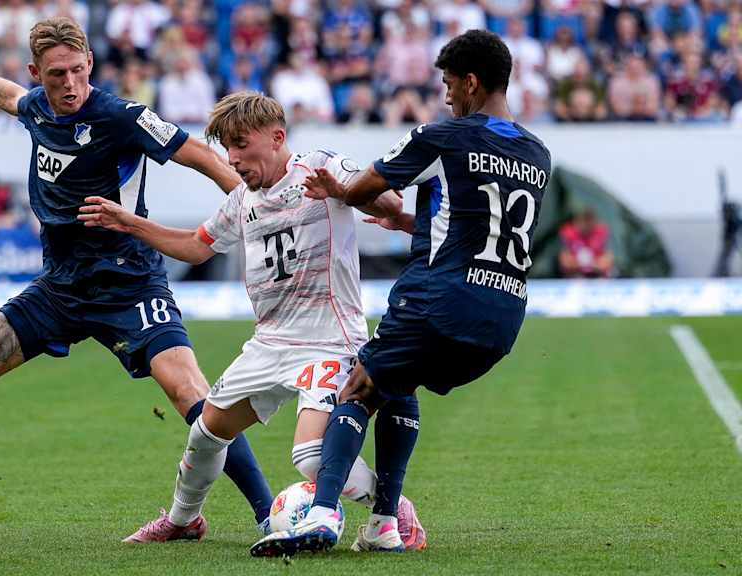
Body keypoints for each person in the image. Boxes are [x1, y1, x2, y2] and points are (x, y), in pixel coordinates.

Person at [0, 17, 272, 544]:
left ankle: (268, 515)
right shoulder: (37, 107)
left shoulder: (123, 116)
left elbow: (203, 156)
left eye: (77, 70)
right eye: (56, 76)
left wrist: (260, 206)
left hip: (130, 284)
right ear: (38, 74)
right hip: (59, 288)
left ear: (90, 63)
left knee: (194, 396)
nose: (69, 84)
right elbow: (7, 95)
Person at [251, 29, 552, 556]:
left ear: (473, 83)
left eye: (450, 84)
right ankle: (385, 524)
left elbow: (367, 187)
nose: (447, 96)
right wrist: (415, 221)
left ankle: (322, 513)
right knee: (399, 382)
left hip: (439, 300)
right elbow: (478, 224)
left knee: (359, 386)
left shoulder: (443, 136)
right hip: (502, 319)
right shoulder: (538, 154)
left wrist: (339, 191)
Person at [79, 91, 425, 548]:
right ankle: (183, 521)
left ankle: (393, 506)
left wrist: (342, 192)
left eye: (240, 144)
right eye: (226, 146)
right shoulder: (243, 198)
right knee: (205, 431)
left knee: (309, 455)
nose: (233, 158)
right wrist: (131, 223)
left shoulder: (320, 167)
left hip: (327, 341)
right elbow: (196, 246)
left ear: (277, 136)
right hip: (267, 345)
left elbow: (388, 204)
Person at [558, 208, 614, 278]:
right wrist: (591, 263)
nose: (585, 224)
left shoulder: (601, 232)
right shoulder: (568, 233)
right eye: (582, 220)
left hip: (598, 276)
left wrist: (584, 264)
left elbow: (607, 262)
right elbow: (565, 262)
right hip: (574, 277)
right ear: (576, 221)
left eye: (588, 220)